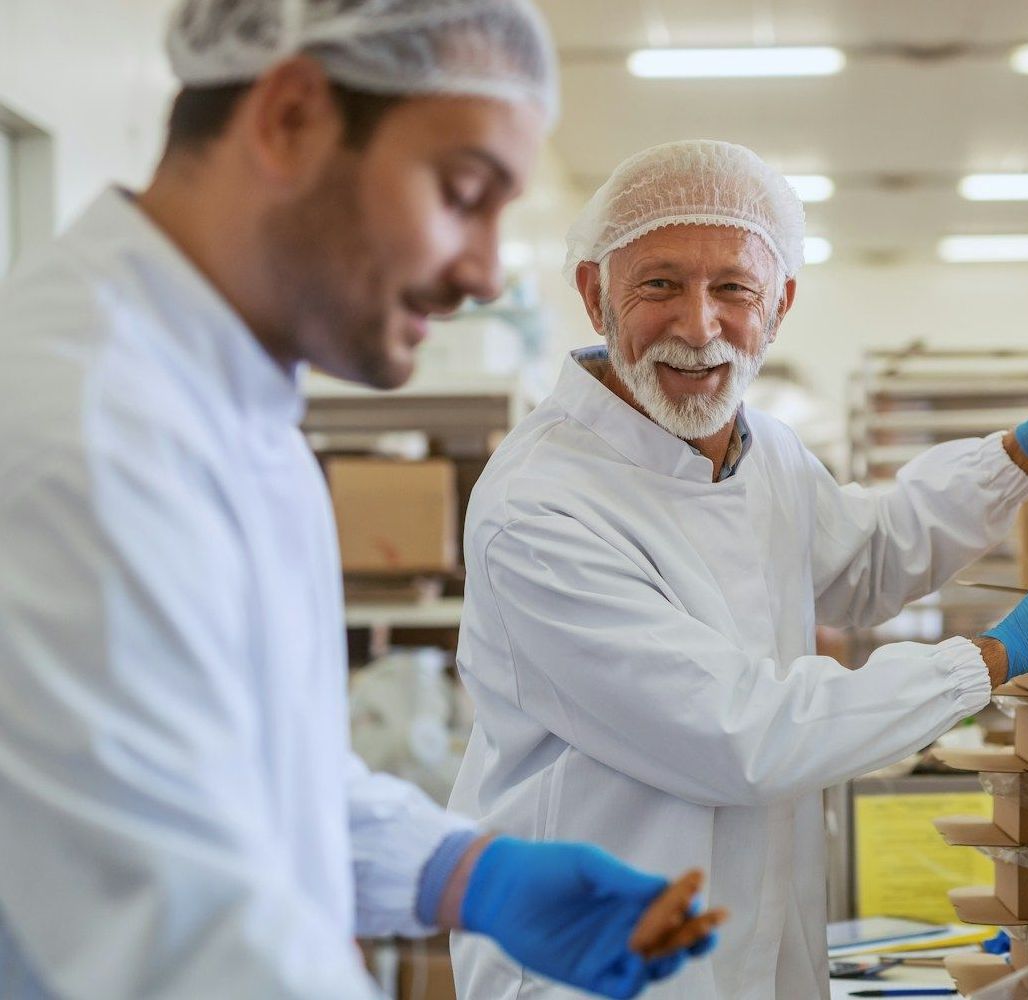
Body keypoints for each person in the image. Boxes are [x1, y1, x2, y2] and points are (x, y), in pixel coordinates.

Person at [0, 5, 718, 999]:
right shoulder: (82, 436)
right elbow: (185, 938)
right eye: (464, 193)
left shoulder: (238, 415)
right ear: (290, 117)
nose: (480, 271)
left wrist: (459, 870)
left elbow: (251, 780)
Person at [448, 139, 1028, 999]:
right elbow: (739, 733)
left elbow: (865, 557)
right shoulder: (539, 508)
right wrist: (990, 657)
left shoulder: (761, 451)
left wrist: (1022, 454)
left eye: (733, 288)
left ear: (779, 303)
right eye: (660, 284)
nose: (699, 326)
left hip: (754, 954)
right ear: (596, 294)